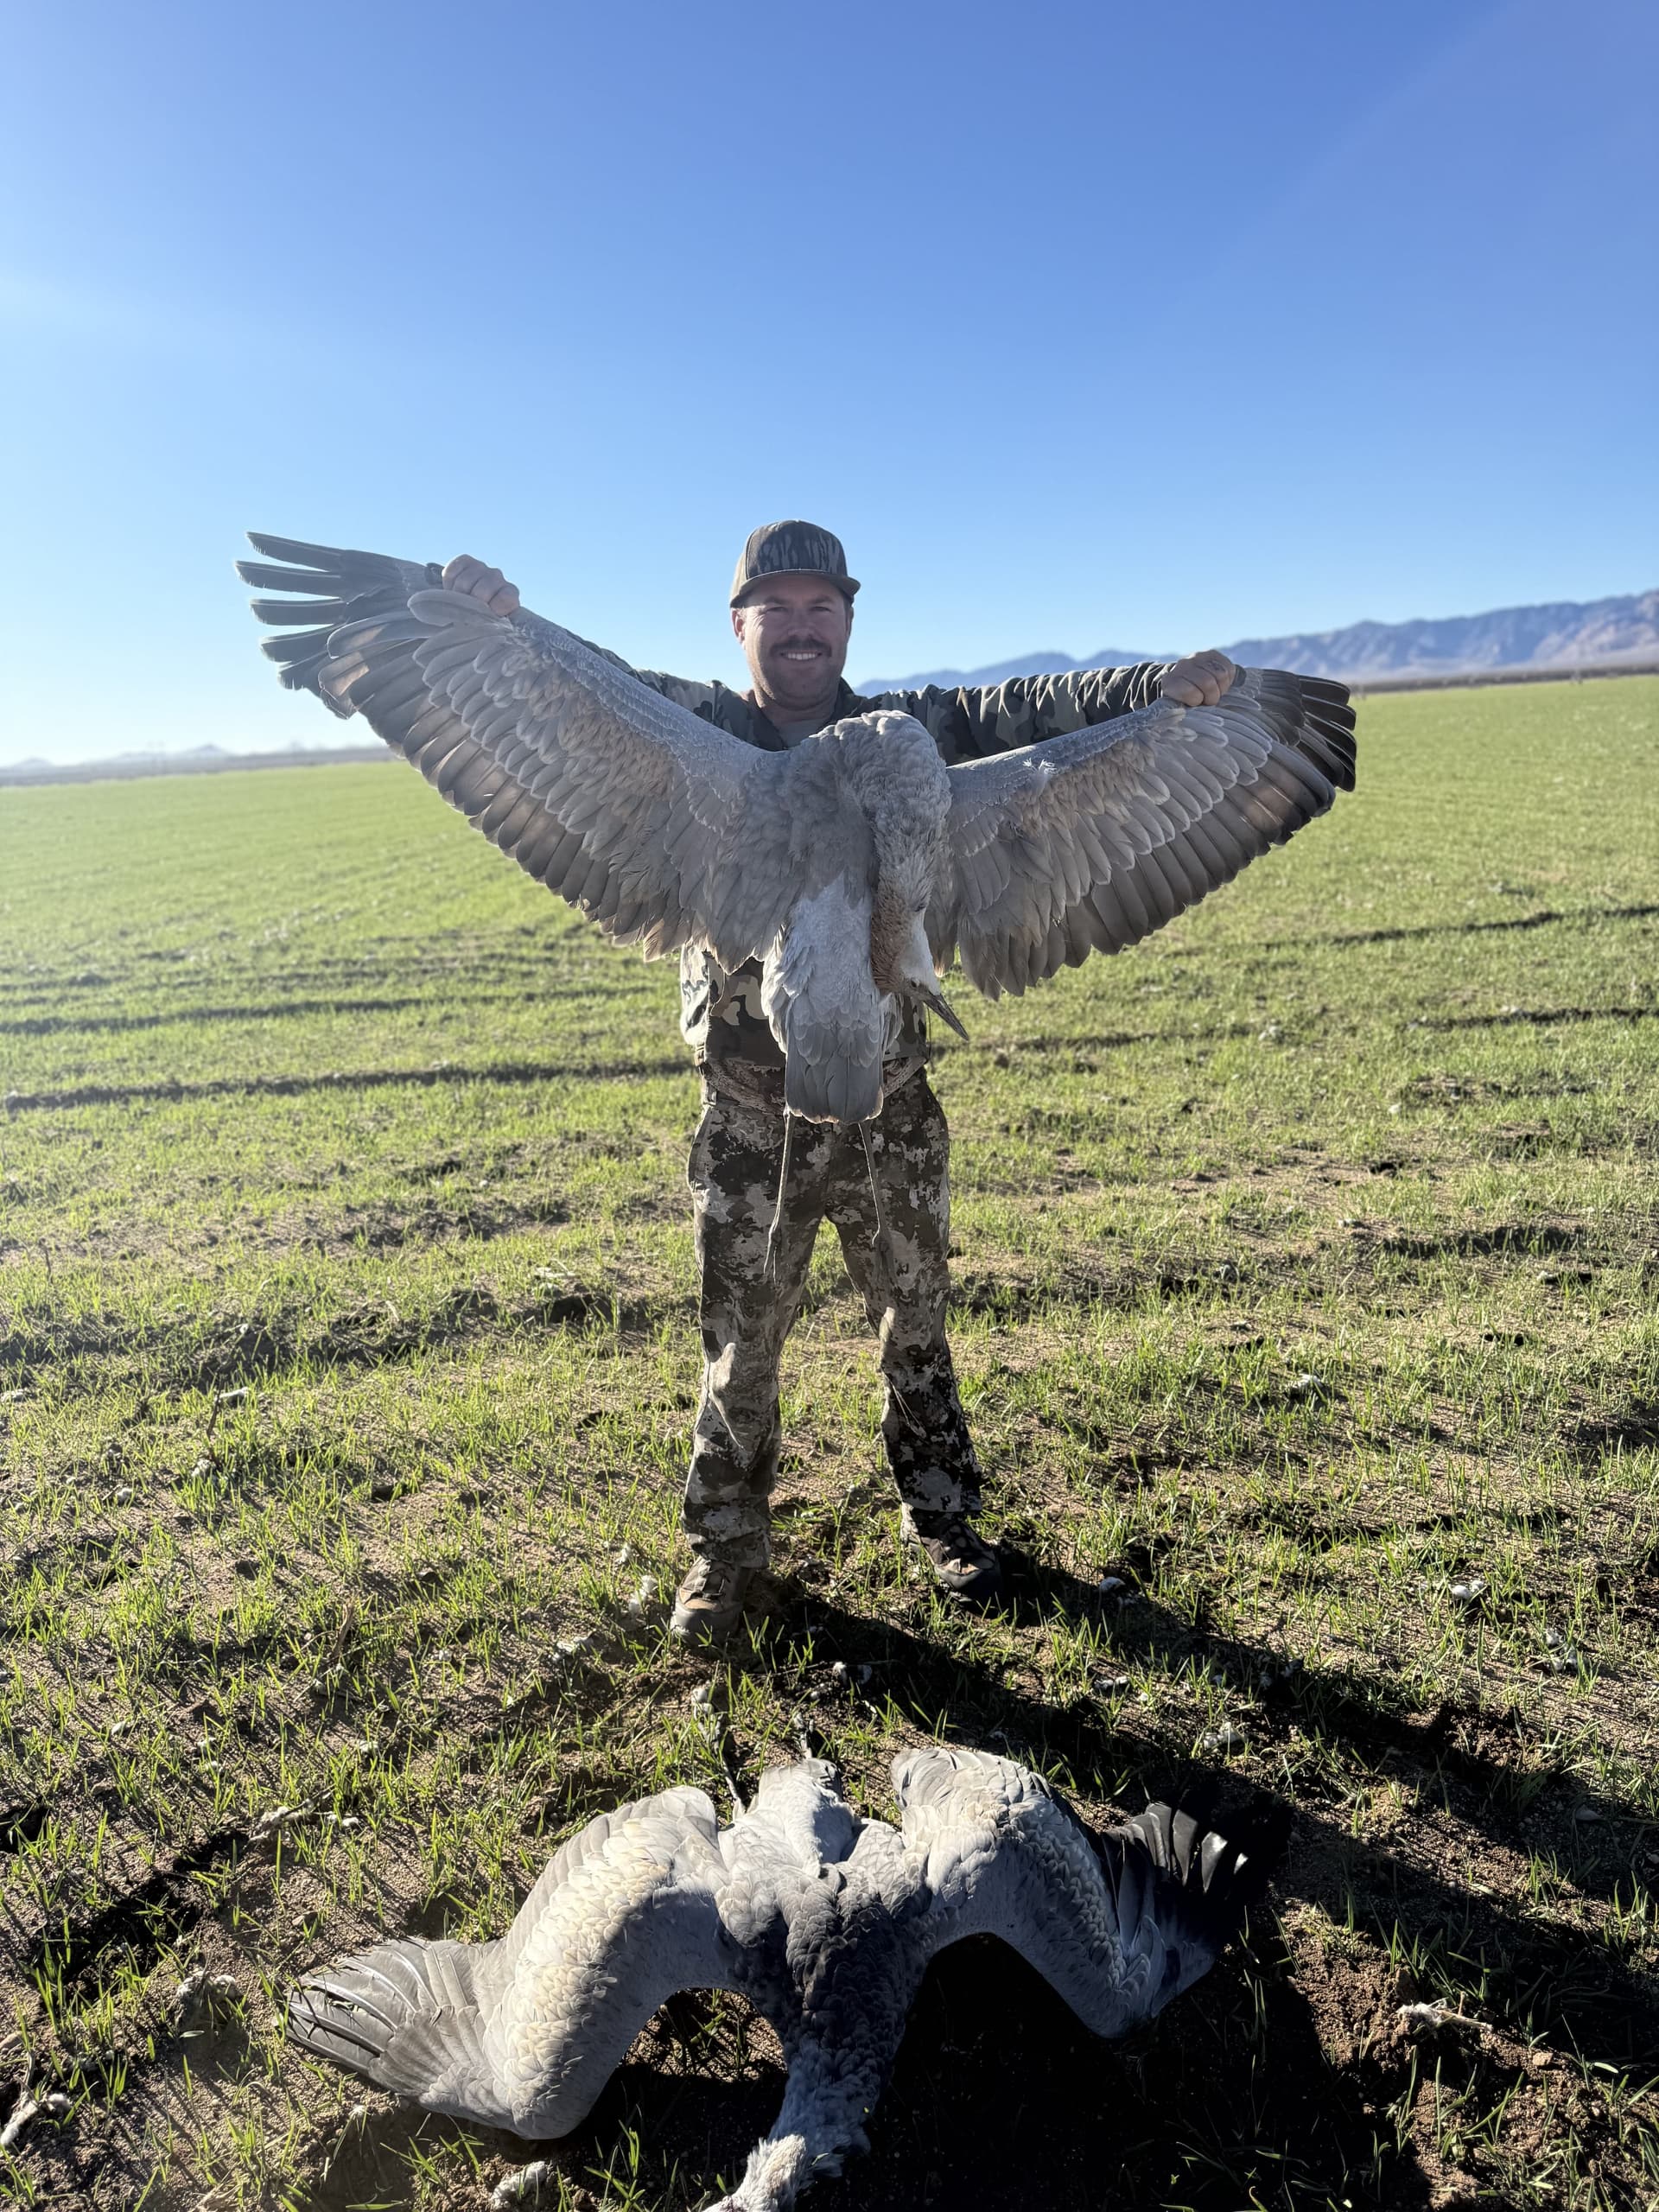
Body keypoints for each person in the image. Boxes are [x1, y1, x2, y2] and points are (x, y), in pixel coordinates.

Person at [440, 524, 1238, 1647]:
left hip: (890, 1104)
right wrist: (493, 620)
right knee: (742, 1340)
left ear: (848, 621)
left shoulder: (915, 734)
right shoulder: (704, 726)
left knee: (916, 1319)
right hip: (747, 1114)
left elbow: (1036, 710)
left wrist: (1159, 683)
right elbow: (579, 684)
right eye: (779, 607)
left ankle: (946, 1521)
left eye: (823, 605)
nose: (804, 624)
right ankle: (725, 1555)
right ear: (741, 627)